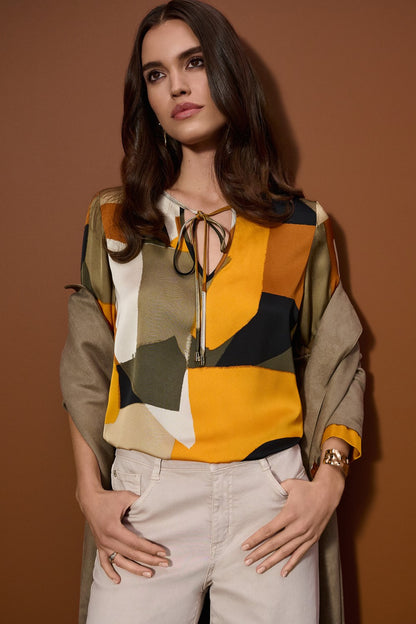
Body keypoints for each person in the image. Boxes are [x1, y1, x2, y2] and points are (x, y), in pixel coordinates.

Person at [60, 1, 365, 623]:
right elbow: (85, 368)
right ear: (145, 97)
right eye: (156, 73)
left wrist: (328, 483)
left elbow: (338, 363)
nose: (176, 85)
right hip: (148, 496)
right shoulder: (115, 221)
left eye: (194, 62)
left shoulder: (300, 226)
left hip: (270, 497)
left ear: (226, 71)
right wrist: (90, 492)